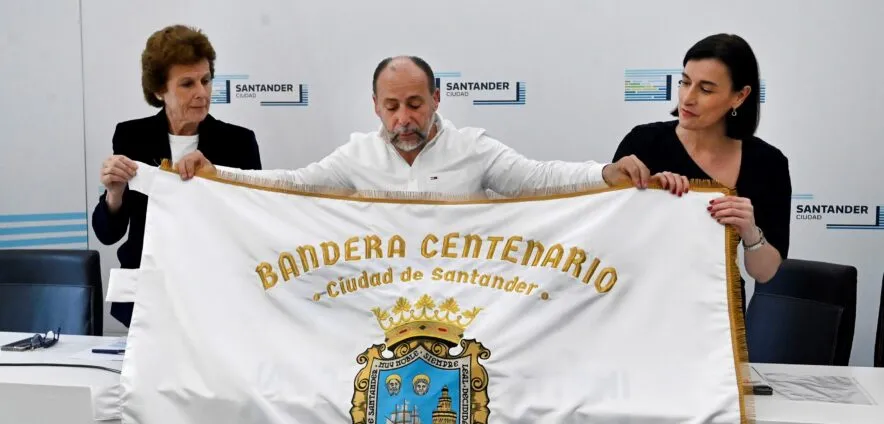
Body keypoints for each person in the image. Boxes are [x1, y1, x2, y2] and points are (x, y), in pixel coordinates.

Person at [173, 55, 688, 197]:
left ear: (437, 99)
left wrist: (606, 173)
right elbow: (292, 183)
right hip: (377, 308)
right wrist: (219, 174)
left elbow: (539, 177)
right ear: (375, 107)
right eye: (392, 106)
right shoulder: (356, 155)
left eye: (416, 104)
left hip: (466, 308)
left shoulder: (473, 148)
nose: (405, 118)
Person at [92, 24, 262, 327]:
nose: (202, 93)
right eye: (187, 84)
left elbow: (254, 225)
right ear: (160, 91)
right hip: (147, 298)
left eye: (206, 80)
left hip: (217, 299)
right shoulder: (131, 136)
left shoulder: (239, 143)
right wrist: (114, 194)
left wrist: (219, 179)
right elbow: (108, 234)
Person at [613, 33, 791, 293]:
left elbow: (765, 273)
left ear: (740, 96)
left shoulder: (768, 163)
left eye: (706, 89)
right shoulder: (643, 143)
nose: (687, 98)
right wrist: (642, 192)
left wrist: (750, 233)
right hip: (640, 298)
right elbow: (611, 235)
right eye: (685, 83)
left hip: (716, 309)